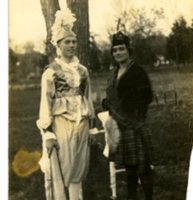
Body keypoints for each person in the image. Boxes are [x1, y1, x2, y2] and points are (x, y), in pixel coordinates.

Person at [36, 9, 95, 200]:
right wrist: (48, 132)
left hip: (82, 123)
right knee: (64, 166)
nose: (71, 45)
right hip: (62, 123)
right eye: (67, 42)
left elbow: (87, 98)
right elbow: (46, 103)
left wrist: (92, 127)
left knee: (79, 166)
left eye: (73, 41)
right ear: (58, 46)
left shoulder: (83, 71)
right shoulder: (51, 72)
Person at [103, 31, 154, 200]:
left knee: (142, 168)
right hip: (119, 127)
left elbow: (147, 97)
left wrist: (133, 113)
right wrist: (108, 103)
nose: (118, 53)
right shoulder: (113, 74)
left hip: (134, 125)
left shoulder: (137, 72)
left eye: (121, 49)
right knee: (129, 169)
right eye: (115, 50)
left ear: (128, 50)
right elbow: (112, 95)